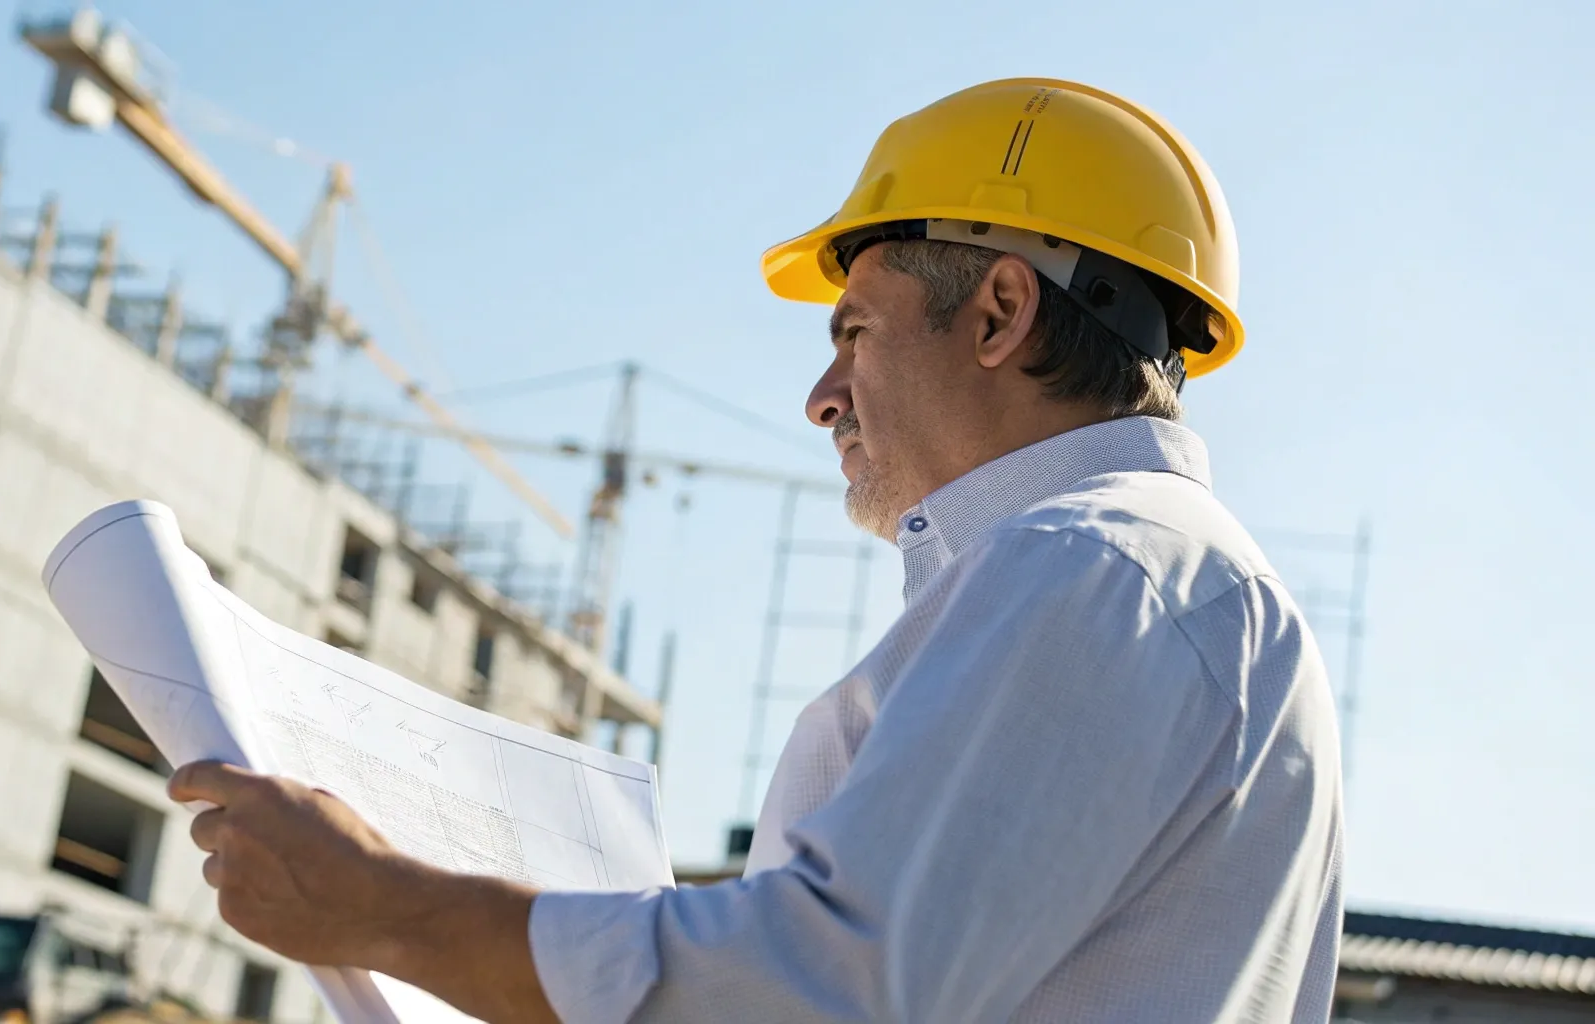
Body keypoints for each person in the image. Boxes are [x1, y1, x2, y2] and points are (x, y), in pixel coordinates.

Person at [169, 77, 1345, 1023]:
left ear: (997, 311)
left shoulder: (1094, 568)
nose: (821, 395)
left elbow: (824, 989)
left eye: (853, 332)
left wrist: (390, 908)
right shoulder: (1148, 582)